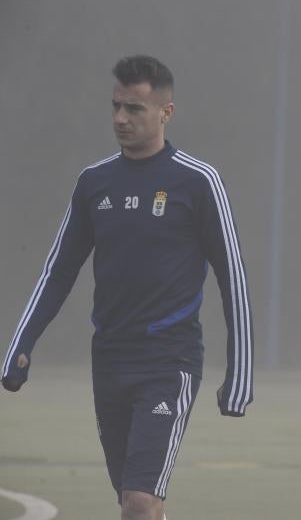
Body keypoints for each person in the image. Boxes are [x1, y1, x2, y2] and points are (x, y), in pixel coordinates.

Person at [1, 55, 254, 520]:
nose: (120, 118)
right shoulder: (94, 182)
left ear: (166, 113)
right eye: (116, 106)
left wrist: (240, 373)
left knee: (140, 500)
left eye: (134, 108)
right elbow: (57, 272)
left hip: (169, 360)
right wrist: (22, 344)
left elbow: (232, 278)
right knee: (132, 499)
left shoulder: (199, 182)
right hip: (109, 359)